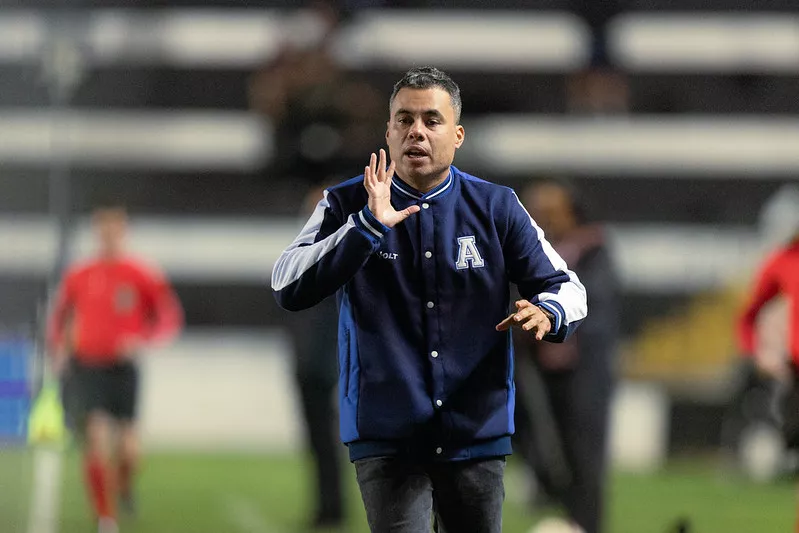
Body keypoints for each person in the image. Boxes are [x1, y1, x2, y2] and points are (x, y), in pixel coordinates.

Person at [271, 66, 587, 533]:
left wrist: (547, 310)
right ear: (388, 131)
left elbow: (568, 287)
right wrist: (365, 227)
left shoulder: (496, 206)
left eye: (431, 120)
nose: (416, 130)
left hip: (475, 434)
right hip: (387, 435)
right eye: (404, 119)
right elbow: (286, 283)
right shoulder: (344, 204)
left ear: (457, 135)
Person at [47, 204, 183, 533]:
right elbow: (59, 317)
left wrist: (142, 338)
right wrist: (59, 348)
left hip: (123, 370)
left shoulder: (141, 273)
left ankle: (123, 486)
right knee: (95, 438)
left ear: (123, 232)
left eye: (114, 229)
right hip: (87, 367)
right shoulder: (80, 274)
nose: (107, 236)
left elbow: (168, 318)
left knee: (129, 450)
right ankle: (105, 518)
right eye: (102, 229)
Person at [512, 179, 620, 533]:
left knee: (585, 454)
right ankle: (565, 511)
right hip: (544, 366)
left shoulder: (591, 247)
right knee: (546, 447)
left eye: (547, 212)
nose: (540, 218)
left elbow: (595, 305)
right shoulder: (539, 249)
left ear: (569, 211)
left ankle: (587, 524)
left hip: (583, 368)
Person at [286, 184, 347, 530]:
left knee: (330, 440)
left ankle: (332, 507)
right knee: (318, 441)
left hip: (326, 363)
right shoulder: (305, 252)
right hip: (308, 362)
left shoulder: (338, 253)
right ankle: (327, 506)